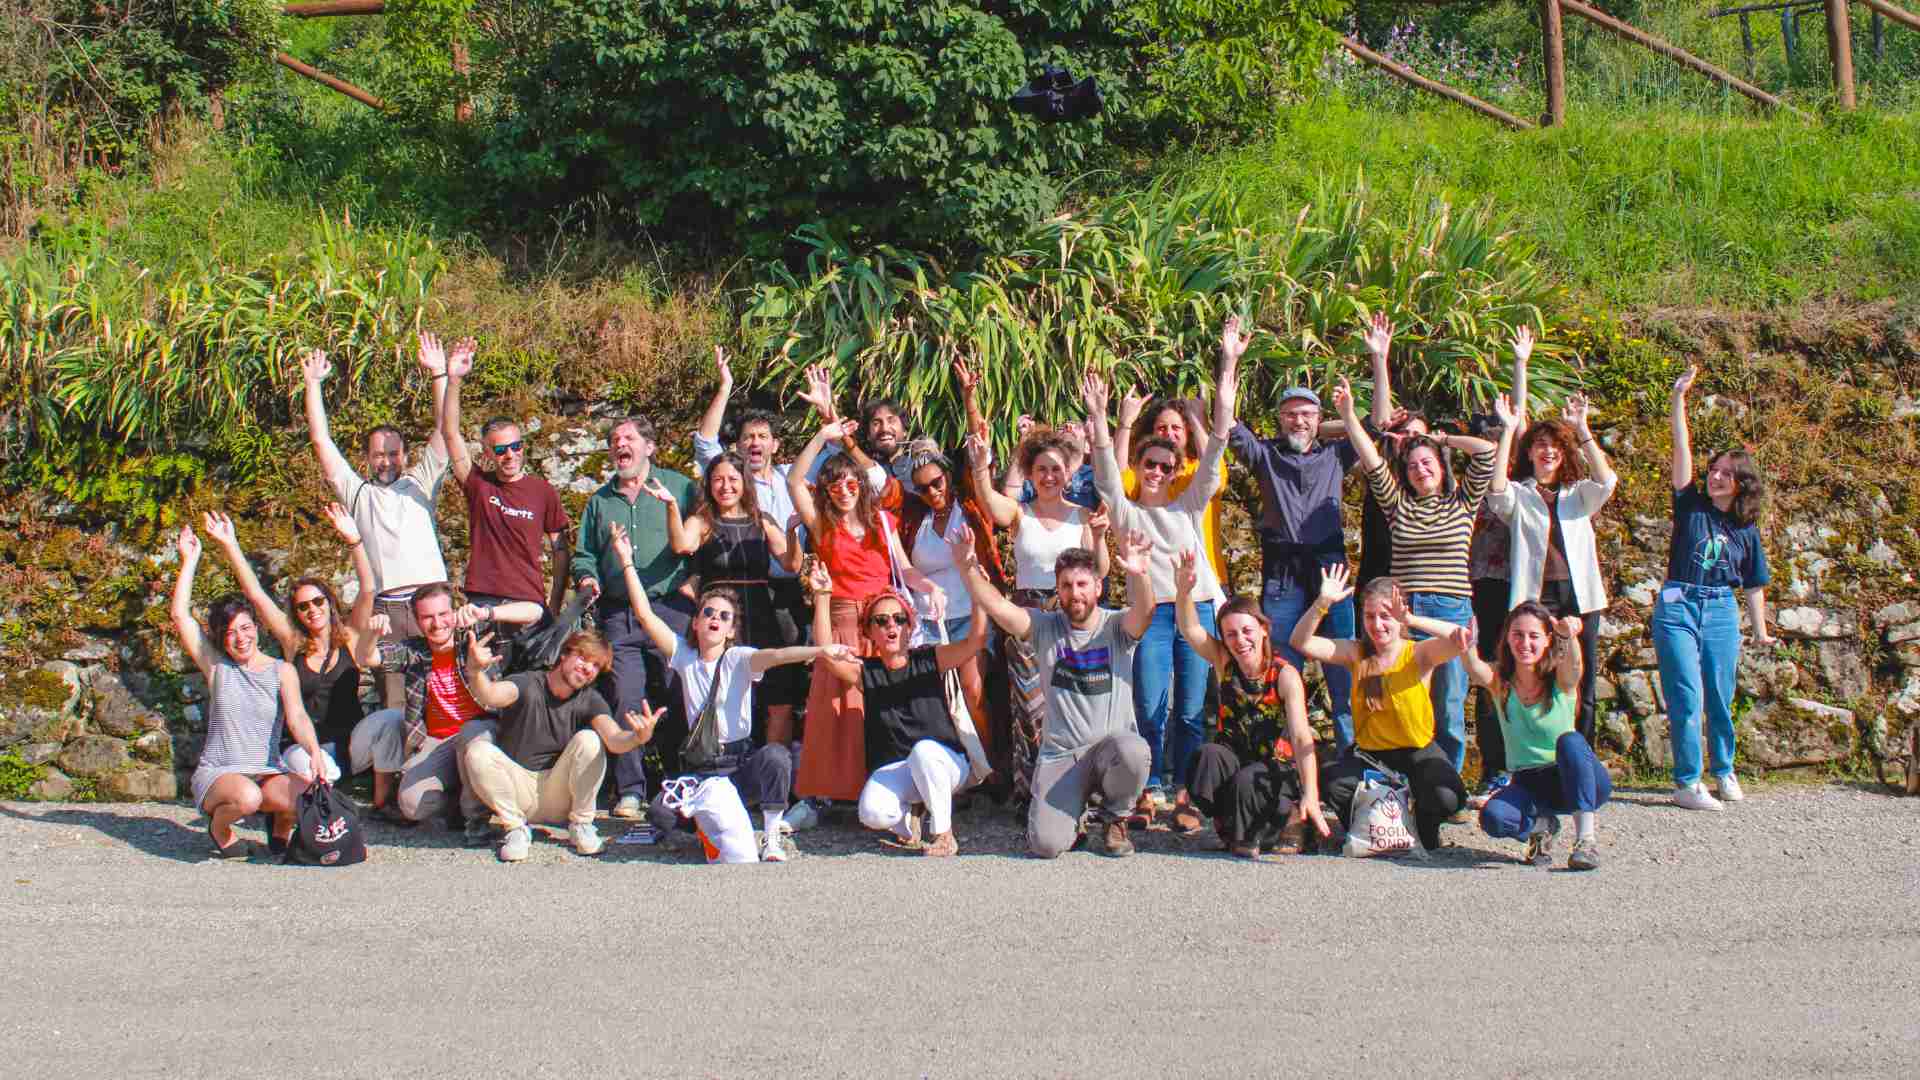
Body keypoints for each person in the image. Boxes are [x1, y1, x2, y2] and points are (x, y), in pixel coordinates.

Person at [609, 523, 849, 862]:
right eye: (708, 612)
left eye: (724, 616)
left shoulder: (739, 659)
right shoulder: (684, 656)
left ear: (731, 629)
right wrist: (626, 561)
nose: (715, 618)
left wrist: (821, 651)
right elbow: (645, 615)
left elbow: (779, 655)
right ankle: (704, 827)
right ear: (696, 622)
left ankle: (771, 838)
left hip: (739, 767)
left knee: (776, 757)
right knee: (661, 814)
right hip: (701, 769)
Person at [1087, 346, 1230, 827]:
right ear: (1140, 464)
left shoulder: (1189, 505)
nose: (1156, 472)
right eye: (1149, 464)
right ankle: (1148, 789)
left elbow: (1217, 448)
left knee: (1190, 709)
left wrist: (1227, 367)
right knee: (1149, 707)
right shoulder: (1126, 513)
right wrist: (1105, 417)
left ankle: (1185, 793)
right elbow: (1106, 471)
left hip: (1197, 610)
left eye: (1166, 467)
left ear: (1175, 471)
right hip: (1151, 615)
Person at [952, 524, 1157, 859]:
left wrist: (1141, 575)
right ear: (1057, 590)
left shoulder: (1116, 626)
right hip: (1062, 756)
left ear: (1098, 587)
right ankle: (1074, 815)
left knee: (1134, 750)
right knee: (1046, 845)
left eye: (1082, 584)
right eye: (1066, 585)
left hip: (1111, 751)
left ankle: (1115, 817)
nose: (1075, 593)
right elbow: (1000, 608)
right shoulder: (1045, 626)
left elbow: (1145, 612)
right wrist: (967, 568)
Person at [1333, 367, 1499, 775]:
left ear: (1441, 466)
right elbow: (1373, 463)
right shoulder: (1398, 506)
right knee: (1401, 697)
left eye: (1427, 463)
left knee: (1449, 704)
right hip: (1403, 612)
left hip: (1452, 610)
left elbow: (1486, 452)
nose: (1420, 469)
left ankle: (1446, 786)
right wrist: (1350, 416)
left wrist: (1441, 440)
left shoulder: (1463, 502)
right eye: (1412, 465)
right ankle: (1403, 780)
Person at [201, 505, 407, 822]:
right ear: (296, 613)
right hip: (300, 745)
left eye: (318, 601)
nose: (312, 610)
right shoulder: (293, 642)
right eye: (303, 606)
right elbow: (255, 595)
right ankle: (304, 811)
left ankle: (382, 801)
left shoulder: (350, 638)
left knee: (390, 719)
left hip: (348, 743)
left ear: (329, 602)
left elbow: (368, 589)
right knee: (318, 774)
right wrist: (230, 544)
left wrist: (354, 540)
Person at [1218, 315, 1362, 759]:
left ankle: (1354, 763)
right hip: (1282, 571)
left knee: (1343, 673)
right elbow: (1224, 421)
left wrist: (1376, 364)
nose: (1299, 421)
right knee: (1282, 668)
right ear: (1280, 419)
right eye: (1291, 414)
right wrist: (1230, 360)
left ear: (1319, 420)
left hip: (1330, 567)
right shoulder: (1264, 455)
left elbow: (1375, 425)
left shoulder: (1336, 454)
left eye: (1307, 414)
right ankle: (1282, 759)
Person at [788, 416, 944, 808]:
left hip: (882, 623)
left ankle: (892, 789)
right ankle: (837, 793)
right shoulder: (821, 525)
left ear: (860, 485)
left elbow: (905, 568)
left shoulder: (883, 522)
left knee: (886, 708)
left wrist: (930, 587)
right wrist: (823, 435)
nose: (844, 491)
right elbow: (794, 481)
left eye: (851, 484)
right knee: (841, 708)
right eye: (835, 485)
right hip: (841, 621)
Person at [301, 337, 456, 706]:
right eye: (378, 455)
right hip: (387, 611)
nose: (386, 461)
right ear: (367, 459)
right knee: (397, 704)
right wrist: (312, 384)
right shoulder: (359, 495)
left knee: (447, 694)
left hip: (433, 603)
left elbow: (445, 429)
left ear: (405, 455)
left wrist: (439, 373)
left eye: (393, 453)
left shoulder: (422, 483)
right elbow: (321, 442)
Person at [1657, 366, 1776, 811]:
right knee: (1686, 694)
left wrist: (1760, 631)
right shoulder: (1690, 504)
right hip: (1677, 605)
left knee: (1720, 695)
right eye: (1713, 470)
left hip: (1721, 609)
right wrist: (1678, 399)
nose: (1716, 477)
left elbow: (1754, 582)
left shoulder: (1746, 529)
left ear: (1741, 482)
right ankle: (1687, 782)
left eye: (1726, 473)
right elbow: (1681, 448)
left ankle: (1724, 769)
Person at [1291, 566, 1473, 854]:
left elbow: (1462, 637)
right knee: (1332, 781)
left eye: (1385, 616)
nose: (1377, 625)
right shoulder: (1356, 653)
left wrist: (1411, 619)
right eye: (1370, 616)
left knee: (1447, 797)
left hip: (1416, 752)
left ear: (1399, 617)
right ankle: (1368, 827)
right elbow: (1300, 642)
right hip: (1371, 756)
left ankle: (1421, 829)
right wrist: (1322, 603)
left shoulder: (1418, 653)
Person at [170, 524, 326, 858]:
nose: (240, 638)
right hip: (220, 774)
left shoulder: (281, 670)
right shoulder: (217, 667)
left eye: (245, 628)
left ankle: (280, 831)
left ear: (256, 627)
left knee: (310, 794)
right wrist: (189, 560)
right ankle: (220, 830)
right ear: (221, 639)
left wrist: (313, 752)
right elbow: (180, 616)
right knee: (247, 797)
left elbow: (298, 717)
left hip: (266, 770)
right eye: (230, 633)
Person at [569, 414, 697, 819]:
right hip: (619, 615)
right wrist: (587, 577)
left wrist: (696, 579)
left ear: (649, 446)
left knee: (679, 692)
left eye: (628, 438)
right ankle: (630, 789)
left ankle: (681, 782)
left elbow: (704, 535)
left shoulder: (680, 488)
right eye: (614, 439)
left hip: (670, 611)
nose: (619, 444)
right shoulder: (599, 501)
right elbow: (584, 554)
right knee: (625, 696)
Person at [974, 428, 1109, 805]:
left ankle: (1078, 791)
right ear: (1030, 474)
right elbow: (988, 501)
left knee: (1073, 703)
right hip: (1027, 618)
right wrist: (981, 466)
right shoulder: (1020, 513)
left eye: (1056, 469)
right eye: (1041, 469)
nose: (1049, 476)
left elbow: (1100, 571)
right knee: (1030, 707)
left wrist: (1099, 538)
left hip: (1073, 615)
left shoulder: (1083, 515)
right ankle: (1032, 793)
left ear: (1069, 472)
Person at [1172, 550, 1331, 857]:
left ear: (1263, 630)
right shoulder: (1224, 662)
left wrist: (1312, 794)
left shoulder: (1284, 675)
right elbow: (1190, 630)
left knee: (1247, 781)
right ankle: (1234, 828)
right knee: (1206, 758)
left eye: (1247, 631)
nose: (1240, 640)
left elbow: (1301, 738)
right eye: (1230, 634)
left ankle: (1285, 820)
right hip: (1237, 759)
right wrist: (1183, 592)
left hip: (1274, 771)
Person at [817, 579, 990, 857]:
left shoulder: (930, 659)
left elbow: (976, 641)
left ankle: (944, 835)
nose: (892, 626)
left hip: (946, 764)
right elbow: (826, 655)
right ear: (869, 631)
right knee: (872, 813)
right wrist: (823, 595)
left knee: (923, 752)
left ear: (910, 628)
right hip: (903, 769)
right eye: (881, 620)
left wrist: (978, 591)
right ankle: (910, 820)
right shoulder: (867, 672)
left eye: (899, 619)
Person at [1486, 385, 1617, 749]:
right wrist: (1509, 430)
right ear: (1529, 452)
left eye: (1556, 445)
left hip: (1579, 596)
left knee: (1582, 677)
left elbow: (1606, 480)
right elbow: (1497, 492)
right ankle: (1539, 753)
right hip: (1536, 597)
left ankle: (1582, 755)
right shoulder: (1521, 493)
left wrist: (1582, 429)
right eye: (1541, 444)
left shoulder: (1579, 493)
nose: (1548, 451)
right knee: (1535, 675)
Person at [694, 346, 810, 753]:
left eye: (762, 437)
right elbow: (705, 441)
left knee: (784, 681)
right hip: (738, 592)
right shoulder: (730, 482)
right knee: (733, 680)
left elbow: (831, 456)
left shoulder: (791, 477)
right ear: (739, 446)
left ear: (776, 445)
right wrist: (725, 385)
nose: (755, 443)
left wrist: (825, 415)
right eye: (747, 438)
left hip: (786, 591)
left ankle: (778, 763)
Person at [459, 628, 658, 861]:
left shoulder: (590, 699)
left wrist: (637, 737)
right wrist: (474, 671)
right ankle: (515, 829)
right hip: (517, 789)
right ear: (564, 654)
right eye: (583, 657)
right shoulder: (527, 683)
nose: (588, 668)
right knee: (478, 752)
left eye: (596, 665)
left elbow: (614, 739)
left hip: (559, 795)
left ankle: (582, 825)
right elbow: (490, 694)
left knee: (590, 739)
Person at [1460, 602, 1609, 870]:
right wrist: (1467, 645)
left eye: (1533, 636)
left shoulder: (1559, 679)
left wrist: (1568, 636)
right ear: (1507, 638)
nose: (1525, 643)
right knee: (1494, 818)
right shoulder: (1500, 681)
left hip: (1576, 776)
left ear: (1547, 640)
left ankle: (1586, 841)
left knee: (1571, 741)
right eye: (1517, 635)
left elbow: (1575, 666)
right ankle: (1541, 826)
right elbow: (1474, 668)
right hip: (1530, 782)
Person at [440, 342, 570, 636]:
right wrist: (454, 380)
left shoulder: (543, 491)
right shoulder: (478, 484)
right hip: (481, 602)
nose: (510, 455)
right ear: (487, 453)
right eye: (500, 450)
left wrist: (554, 603)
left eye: (516, 446)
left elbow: (561, 550)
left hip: (528, 605)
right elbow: (450, 433)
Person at [350, 581, 501, 829]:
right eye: (427, 617)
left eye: (443, 614)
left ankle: (476, 819)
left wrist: (486, 613)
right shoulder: (414, 651)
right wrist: (371, 633)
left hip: (479, 733)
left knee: (471, 735)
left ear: (454, 613)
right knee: (412, 804)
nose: (437, 623)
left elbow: (534, 612)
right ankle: (458, 803)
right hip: (438, 740)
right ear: (417, 621)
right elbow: (366, 657)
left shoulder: (473, 641)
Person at [1465, 326, 1533, 806]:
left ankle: (1531, 765)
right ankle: (1494, 769)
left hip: (1522, 581)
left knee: (1528, 671)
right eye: (1486, 433)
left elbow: (1521, 421)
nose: (1494, 438)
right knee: (1489, 675)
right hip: (1481, 582)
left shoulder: (1523, 475)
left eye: (1499, 432)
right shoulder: (1469, 475)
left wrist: (1520, 365)